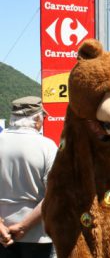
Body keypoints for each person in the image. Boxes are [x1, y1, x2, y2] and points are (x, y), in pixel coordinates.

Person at [0, 96, 58, 257]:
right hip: (37, 236)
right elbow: (53, 195)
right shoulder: (47, 146)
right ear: (37, 119)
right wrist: (23, 226)